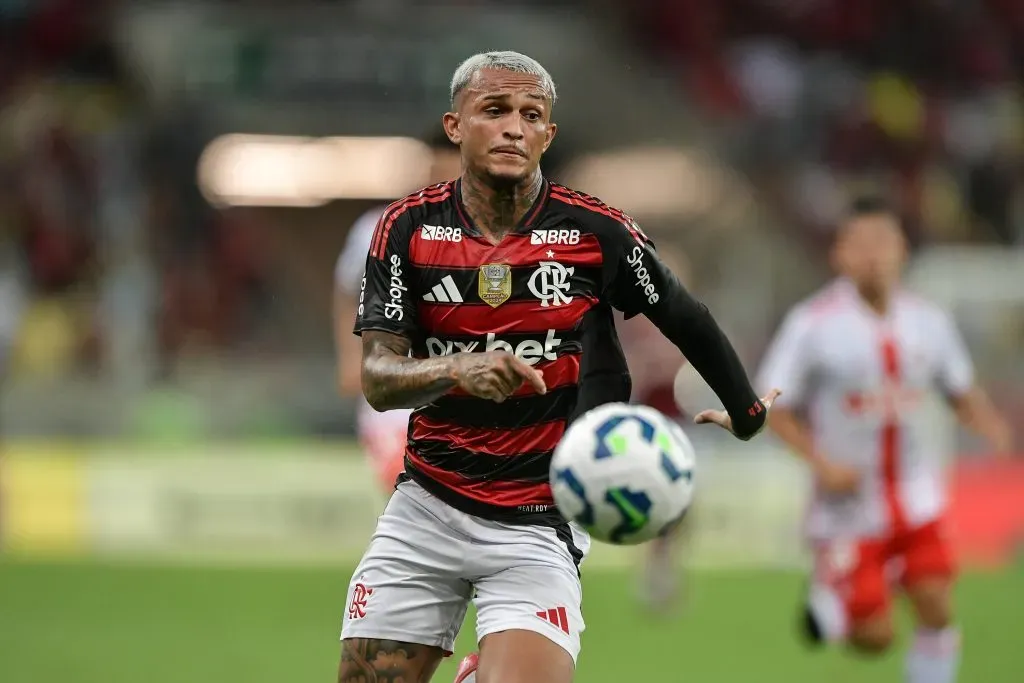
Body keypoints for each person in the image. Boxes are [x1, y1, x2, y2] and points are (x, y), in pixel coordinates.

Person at [340, 51, 779, 683]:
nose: (513, 128)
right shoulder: (406, 228)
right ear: (456, 125)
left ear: (548, 134)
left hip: (538, 520)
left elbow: (686, 317)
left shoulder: (596, 232)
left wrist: (748, 411)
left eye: (531, 115)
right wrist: (458, 370)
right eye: (495, 110)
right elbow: (378, 378)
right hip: (426, 506)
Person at [756, 197, 1011, 683]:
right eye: (861, 244)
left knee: (936, 606)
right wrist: (823, 465)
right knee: (875, 638)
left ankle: (876, 587)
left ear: (902, 249)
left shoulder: (929, 320)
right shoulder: (812, 323)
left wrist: (990, 425)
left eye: (883, 242)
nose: (873, 255)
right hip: (849, 505)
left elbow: (958, 388)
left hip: (916, 495)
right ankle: (835, 591)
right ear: (839, 254)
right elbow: (772, 406)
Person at [334, 132, 462, 492]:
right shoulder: (379, 227)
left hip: (457, 393)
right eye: (436, 168)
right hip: (394, 390)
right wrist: (349, 357)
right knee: (407, 491)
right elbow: (347, 290)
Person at [615, 243, 695, 613]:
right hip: (645, 431)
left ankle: (664, 570)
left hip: (681, 428)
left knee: (680, 509)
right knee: (655, 505)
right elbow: (630, 373)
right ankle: (654, 573)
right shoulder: (635, 324)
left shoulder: (685, 321)